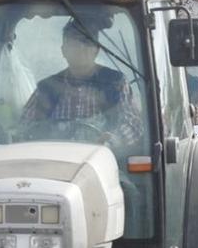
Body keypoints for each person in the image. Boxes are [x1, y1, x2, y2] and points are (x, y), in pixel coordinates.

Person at [22, 19, 144, 150]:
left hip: (106, 162)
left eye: (86, 42)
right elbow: (25, 126)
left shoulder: (115, 82)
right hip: (54, 161)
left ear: (97, 49)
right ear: (64, 51)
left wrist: (114, 139)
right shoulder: (46, 88)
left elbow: (133, 124)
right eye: (74, 43)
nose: (81, 49)